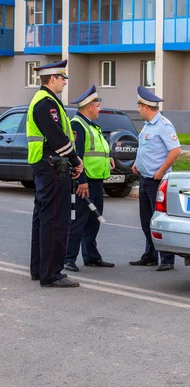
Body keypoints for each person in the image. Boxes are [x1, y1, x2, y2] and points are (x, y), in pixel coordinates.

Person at [27, 59, 82, 288]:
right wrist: (75, 159)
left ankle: (40, 269)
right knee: (55, 220)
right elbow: (58, 138)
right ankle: (51, 274)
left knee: (42, 218)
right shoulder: (46, 103)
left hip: (46, 165)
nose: (64, 82)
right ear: (52, 79)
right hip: (52, 165)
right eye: (62, 78)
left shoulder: (43, 101)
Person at [63, 85, 116, 272]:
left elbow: (94, 151)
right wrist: (82, 180)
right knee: (77, 221)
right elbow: (76, 156)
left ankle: (92, 257)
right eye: (97, 105)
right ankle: (68, 259)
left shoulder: (92, 126)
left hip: (96, 181)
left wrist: (107, 158)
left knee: (93, 221)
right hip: (84, 183)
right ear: (88, 107)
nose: (99, 109)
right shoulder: (78, 125)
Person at [129, 86, 181, 271]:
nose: (138, 109)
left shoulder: (164, 125)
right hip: (144, 178)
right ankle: (150, 255)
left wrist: (160, 172)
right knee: (146, 220)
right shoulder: (148, 126)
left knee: (159, 220)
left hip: (156, 180)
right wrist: (137, 163)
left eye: (139, 105)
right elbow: (144, 148)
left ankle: (167, 259)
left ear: (145, 107)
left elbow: (175, 151)